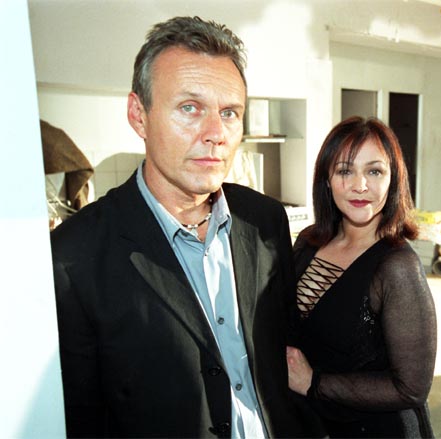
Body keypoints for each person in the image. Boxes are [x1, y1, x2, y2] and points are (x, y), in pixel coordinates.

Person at [51, 16, 324, 439]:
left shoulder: (266, 220)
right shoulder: (73, 256)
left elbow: (284, 352)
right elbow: (82, 418)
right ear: (139, 115)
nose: (216, 134)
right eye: (190, 108)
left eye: (229, 113)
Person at [286, 116, 437, 438]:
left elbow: (411, 388)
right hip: (313, 422)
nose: (360, 186)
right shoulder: (309, 241)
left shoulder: (396, 266)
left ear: (393, 180)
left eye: (374, 171)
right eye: (345, 171)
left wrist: (313, 382)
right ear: (326, 180)